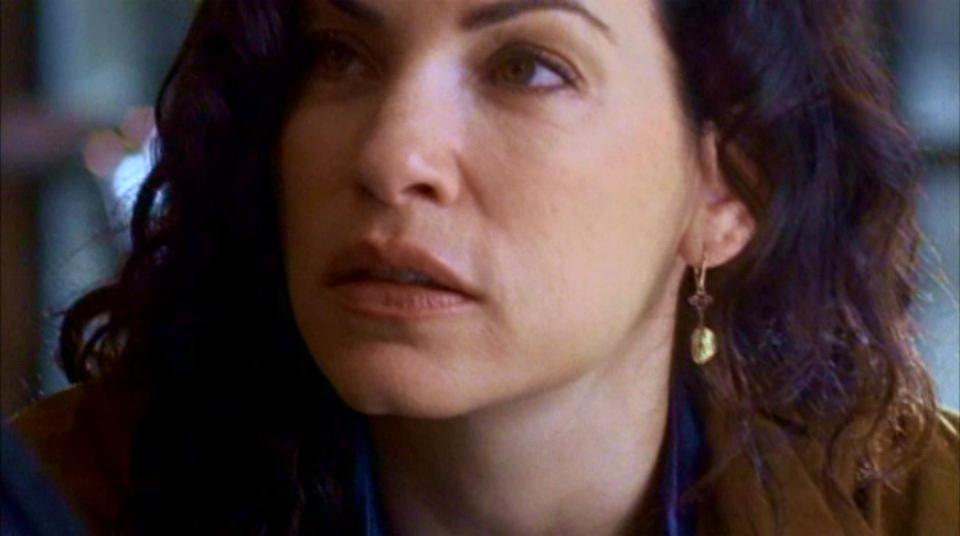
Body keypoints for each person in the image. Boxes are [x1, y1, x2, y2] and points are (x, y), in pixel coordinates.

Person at [9, 0, 959, 534]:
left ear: (727, 190)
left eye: (528, 67)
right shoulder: (60, 503)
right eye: (341, 55)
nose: (392, 155)